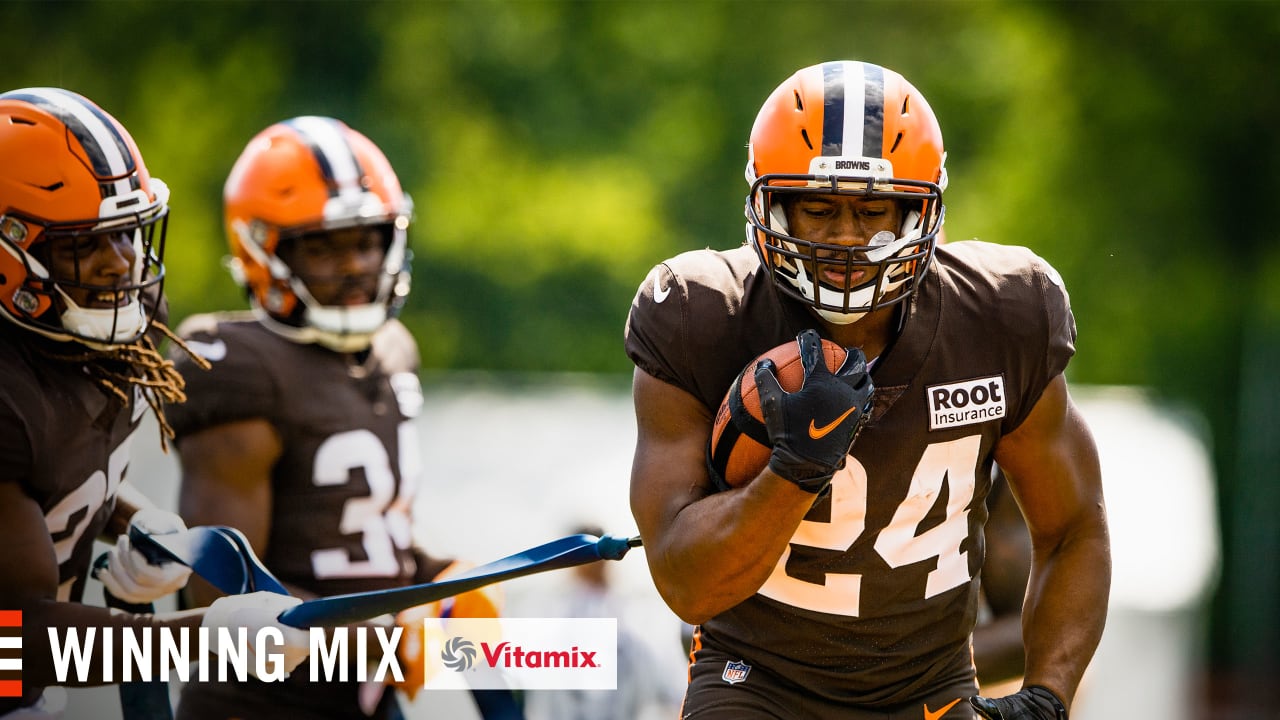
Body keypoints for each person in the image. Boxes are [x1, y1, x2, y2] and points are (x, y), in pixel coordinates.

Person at [624, 60, 1110, 719]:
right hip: (757, 682)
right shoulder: (702, 313)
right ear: (770, 203)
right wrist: (793, 472)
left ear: (920, 208)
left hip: (928, 692)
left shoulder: (1000, 315)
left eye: (874, 210)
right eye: (819, 209)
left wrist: (1049, 695)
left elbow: (1074, 528)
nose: (847, 239)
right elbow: (684, 583)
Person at [166, 116, 513, 720]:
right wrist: (387, 636)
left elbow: (356, 538)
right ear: (261, 250)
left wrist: (445, 582)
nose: (354, 264)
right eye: (322, 247)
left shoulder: (392, 349)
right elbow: (224, 594)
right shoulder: (237, 363)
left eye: (365, 240)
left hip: (364, 701)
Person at [0, 88, 309, 719]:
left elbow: (65, 477)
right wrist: (202, 636)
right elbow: (15, 642)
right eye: (85, 244)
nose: (119, 265)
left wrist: (139, 522)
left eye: (126, 233)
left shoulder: (108, 325)